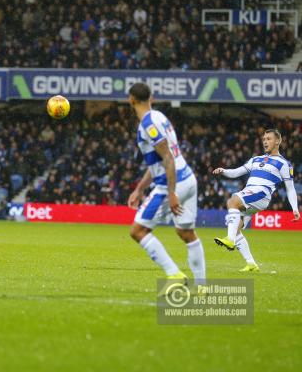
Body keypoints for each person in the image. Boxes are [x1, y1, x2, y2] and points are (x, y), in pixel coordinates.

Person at [126, 83, 205, 291]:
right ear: (150, 98)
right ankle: (203, 287)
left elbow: (167, 158)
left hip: (172, 183)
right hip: (188, 178)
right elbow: (159, 162)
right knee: (187, 233)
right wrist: (140, 188)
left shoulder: (148, 124)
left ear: (131, 99)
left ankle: (174, 274)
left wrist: (171, 193)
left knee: (137, 231)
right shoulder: (159, 117)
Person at [213, 129, 299, 271]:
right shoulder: (256, 159)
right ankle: (251, 264)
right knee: (236, 229)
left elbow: (290, 188)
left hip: (261, 193)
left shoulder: (284, 163)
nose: (265, 141)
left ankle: (229, 239)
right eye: (264, 138)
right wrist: (224, 171)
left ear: (278, 141)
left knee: (232, 201)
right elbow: (236, 172)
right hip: (251, 192)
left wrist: (295, 208)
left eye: (269, 138)